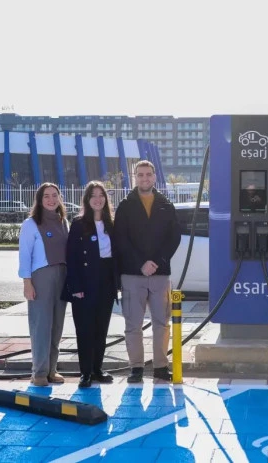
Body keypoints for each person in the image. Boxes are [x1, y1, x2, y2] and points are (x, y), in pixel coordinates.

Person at [114, 160, 181, 383]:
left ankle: (161, 367)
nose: (145, 178)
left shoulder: (166, 205)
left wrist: (157, 261)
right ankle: (136, 368)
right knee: (133, 325)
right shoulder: (125, 206)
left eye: (148, 174)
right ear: (135, 177)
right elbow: (121, 239)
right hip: (132, 274)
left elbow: (174, 238)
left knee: (162, 323)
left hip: (160, 274)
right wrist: (141, 263)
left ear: (154, 176)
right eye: (140, 175)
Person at [63, 181, 119, 388]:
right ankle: (85, 372)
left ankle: (97, 369)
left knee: (101, 328)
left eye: (101, 195)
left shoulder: (111, 223)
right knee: (85, 329)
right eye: (93, 195)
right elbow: (71, 257)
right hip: (85, 282)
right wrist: (76, 287)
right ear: (87, 200)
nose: (98, 199)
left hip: (106, 281)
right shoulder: (79, 224)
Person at [18, 183, 69, 387]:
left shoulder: (63, 222)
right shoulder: (30, 224)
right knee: (41, 325)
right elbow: (25, 255)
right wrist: (27, 283)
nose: (51, 200)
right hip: (41, 277)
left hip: (62, 276)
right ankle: (39, 372)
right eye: (46, 196)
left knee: (57, 325)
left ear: (59, 198)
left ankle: (51, 370)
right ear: (39, 200)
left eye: (54, 195)